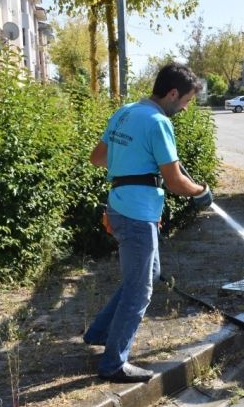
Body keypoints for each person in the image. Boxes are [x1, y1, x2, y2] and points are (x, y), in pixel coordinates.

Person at [85, 62, 213, 383]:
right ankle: (114, 363)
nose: (184, 108)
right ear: (172, 93)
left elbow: (98, 158)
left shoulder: (125, 112)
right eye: (185, 101)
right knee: (140, 291)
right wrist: (200, 192)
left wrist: (130, 171)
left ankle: (100, 332)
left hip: (119, 205)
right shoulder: (158, 122)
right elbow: (174, 181)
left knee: (147, 275)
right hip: (138, 214)